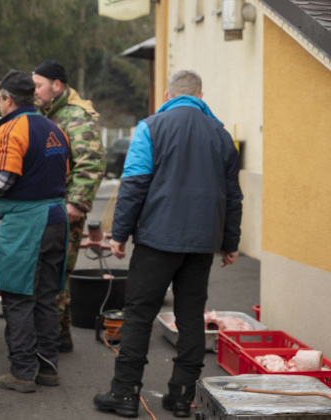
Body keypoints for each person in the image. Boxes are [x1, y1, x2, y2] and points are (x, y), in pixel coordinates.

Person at [93, 70, 243, 418]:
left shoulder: (151, 127)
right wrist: (230, 243)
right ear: (200, 96)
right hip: (202, 245)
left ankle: (126, 395)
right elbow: (234, 197)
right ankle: (180, 397)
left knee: (139, 316)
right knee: (191, 317)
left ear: (166, 95)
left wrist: (120, 234)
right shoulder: (222, 137)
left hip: (156, 243)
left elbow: (133, 185)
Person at [0, 59, 104, 352]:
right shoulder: (49, 124)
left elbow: (2, 181)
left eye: (39, 85)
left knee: (20, 295)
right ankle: (50, 358)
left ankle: (25, 367)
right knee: (48, 292)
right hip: (54, 213)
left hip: (36, 219)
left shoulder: (69, 118)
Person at [0, 70, 70, 393]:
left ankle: (22, 373)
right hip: (56, 219)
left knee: (19, 299)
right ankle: (47, 370)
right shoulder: (55, 130)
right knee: (46, 298)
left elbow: (1, 181)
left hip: (27, 225)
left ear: (7, 99)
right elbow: (64, 173)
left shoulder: (10, 129)